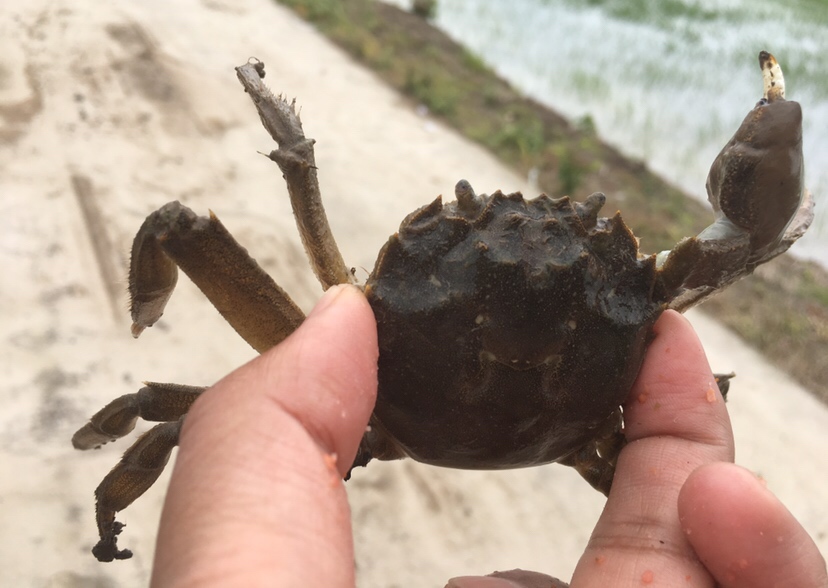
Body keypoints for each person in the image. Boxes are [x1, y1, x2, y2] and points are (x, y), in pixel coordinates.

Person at [150, 285, 828, 587]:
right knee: (709, 491)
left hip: (381, 425)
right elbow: (741, 241)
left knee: (175, 413)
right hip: (590, 445)